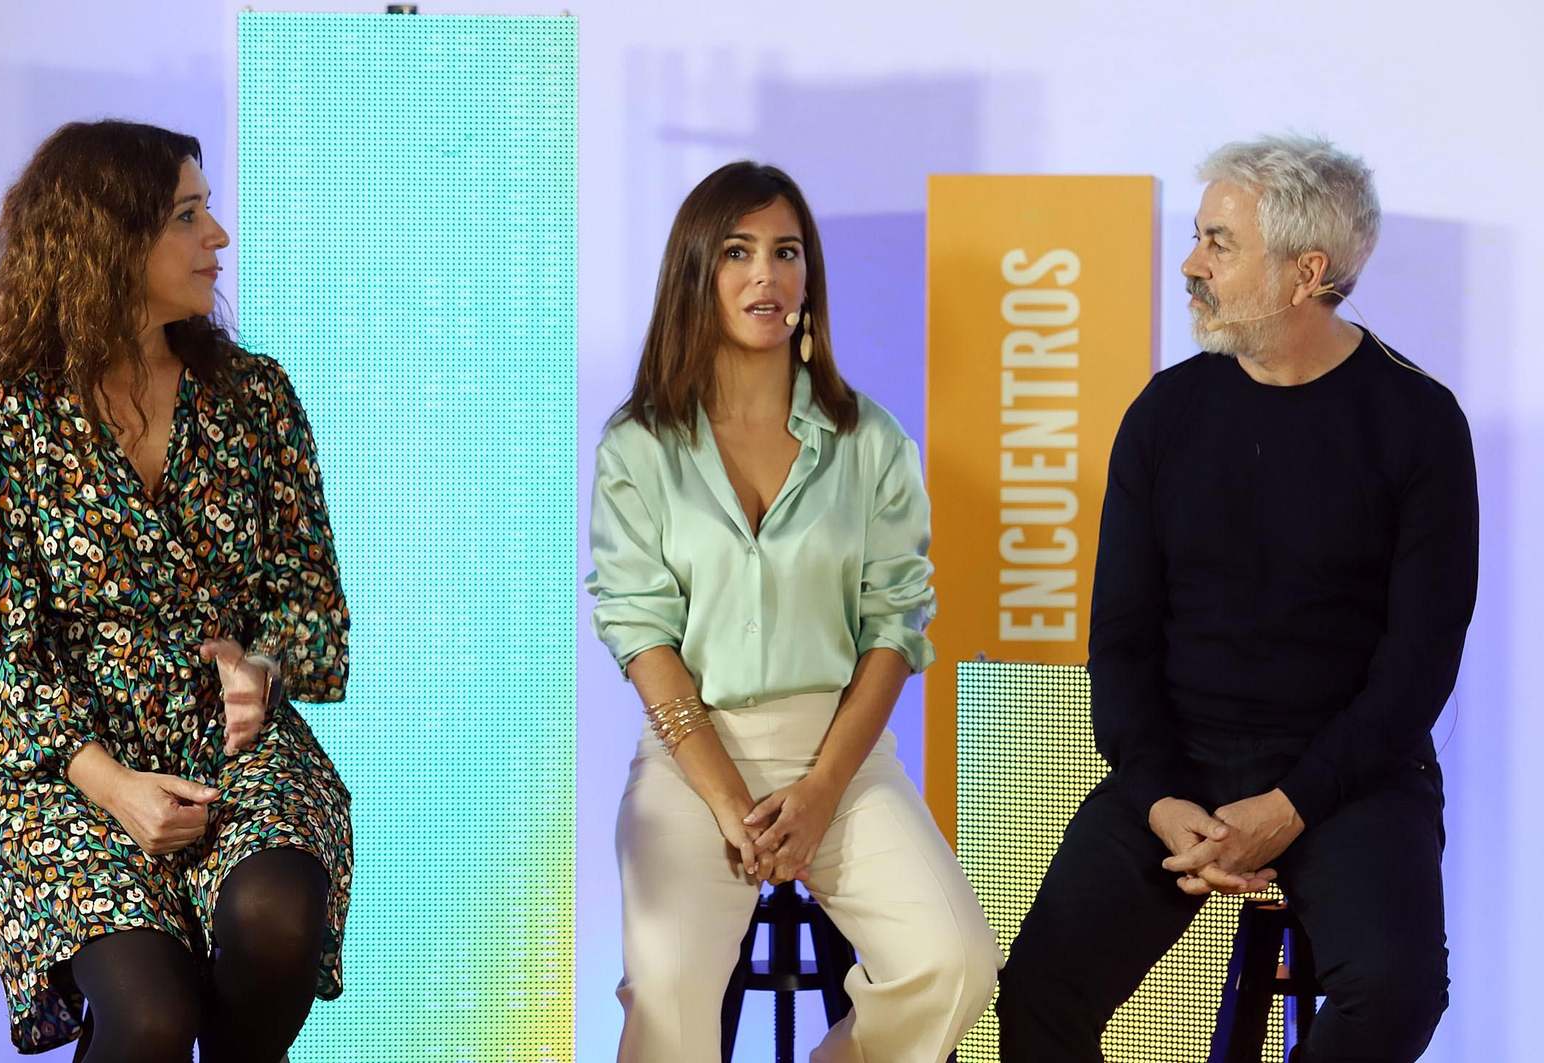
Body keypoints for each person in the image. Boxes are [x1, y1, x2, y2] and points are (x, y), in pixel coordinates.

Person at [997, 134, 1478, 1062]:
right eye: (1197, 237)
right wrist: (1155, 793)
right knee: (1037, 994)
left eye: (1218, 242)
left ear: (1307, 273)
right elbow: (1123, 641)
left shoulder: (1418, 422)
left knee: (1397, 993)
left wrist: (1294, 800)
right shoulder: (1166, 413)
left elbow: (1419, 665)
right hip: (1181, 760)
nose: (1190, 263)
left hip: (1351, 773)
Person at [0, 120, 352, 1062]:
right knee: (153, 1016)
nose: (218, 236)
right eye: (188, 214)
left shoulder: (256, 398)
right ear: (108, 241)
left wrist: (263, 663)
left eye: (208, 209)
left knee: (276, 918)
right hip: (66, 779)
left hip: (234, 755)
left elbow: (318, 610)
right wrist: (115, 784)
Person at [587, 160, 1002, 1062]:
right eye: (738, 252)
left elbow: (896, 627)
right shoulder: (640, 444)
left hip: (840, 760)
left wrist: (816, 794)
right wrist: (731, 801)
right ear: (698, 271)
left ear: (809, 278)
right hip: (694, 761)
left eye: (786, 252)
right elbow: (638, 629)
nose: (766, 276)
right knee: (665, 995)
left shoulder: (872, 441)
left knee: (957, 961)